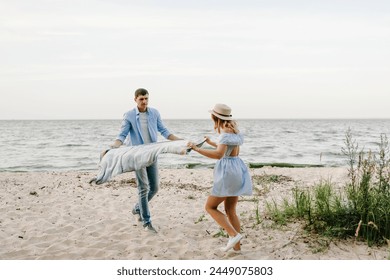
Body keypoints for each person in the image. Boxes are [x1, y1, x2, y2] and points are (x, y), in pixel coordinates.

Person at [111, 88, 181, 233]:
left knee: (154, 188)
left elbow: (164, 131)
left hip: (152, 153)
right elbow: (122, 135)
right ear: (135, 99)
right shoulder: (129, 115)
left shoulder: (154, 113)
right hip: (137, 155)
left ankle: (137, 208)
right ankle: (146, 222)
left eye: (146, 99)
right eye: (141, 99)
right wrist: (114, 146)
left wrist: (181, 141)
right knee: (143, 188)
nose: (144, 102)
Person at [187, 103, 252, 252]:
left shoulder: (224, 133)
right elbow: (227, 147)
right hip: (238, 169)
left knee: (210, 207)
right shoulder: (234, 131)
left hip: (228, 172)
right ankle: (237, 249)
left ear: (214, 117)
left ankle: (233, 234)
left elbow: (218, 155)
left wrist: (197, 149)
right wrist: (211, 143)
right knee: (230, 210)